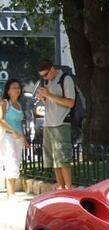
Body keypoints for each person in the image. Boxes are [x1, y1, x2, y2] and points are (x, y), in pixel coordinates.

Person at [36, 59, 75, 190]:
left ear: (52, 69)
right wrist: (43, 98)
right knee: (53, 158)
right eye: (42, 76)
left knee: (63, 158)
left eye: (45, 74)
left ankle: (69, 188)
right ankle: (60, 186)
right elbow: (50, 100)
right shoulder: (48, 81)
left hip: (61, 122)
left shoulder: (65, 79)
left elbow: (70, 103)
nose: (44, 77)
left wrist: (49, 95)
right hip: (49, 123)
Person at [0, 78, 27, 199]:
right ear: (8, 91)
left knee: (16, 163)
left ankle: (12, 192)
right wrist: (13, 131)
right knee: (11, 162)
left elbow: (20, 124)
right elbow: (1, 120)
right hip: (7, 136)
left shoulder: (19, 105)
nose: (17, 90)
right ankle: (10, 193)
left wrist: (24, 139)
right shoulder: (5, 103)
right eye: (14, 88)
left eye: (18, 87)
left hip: (18, 137)